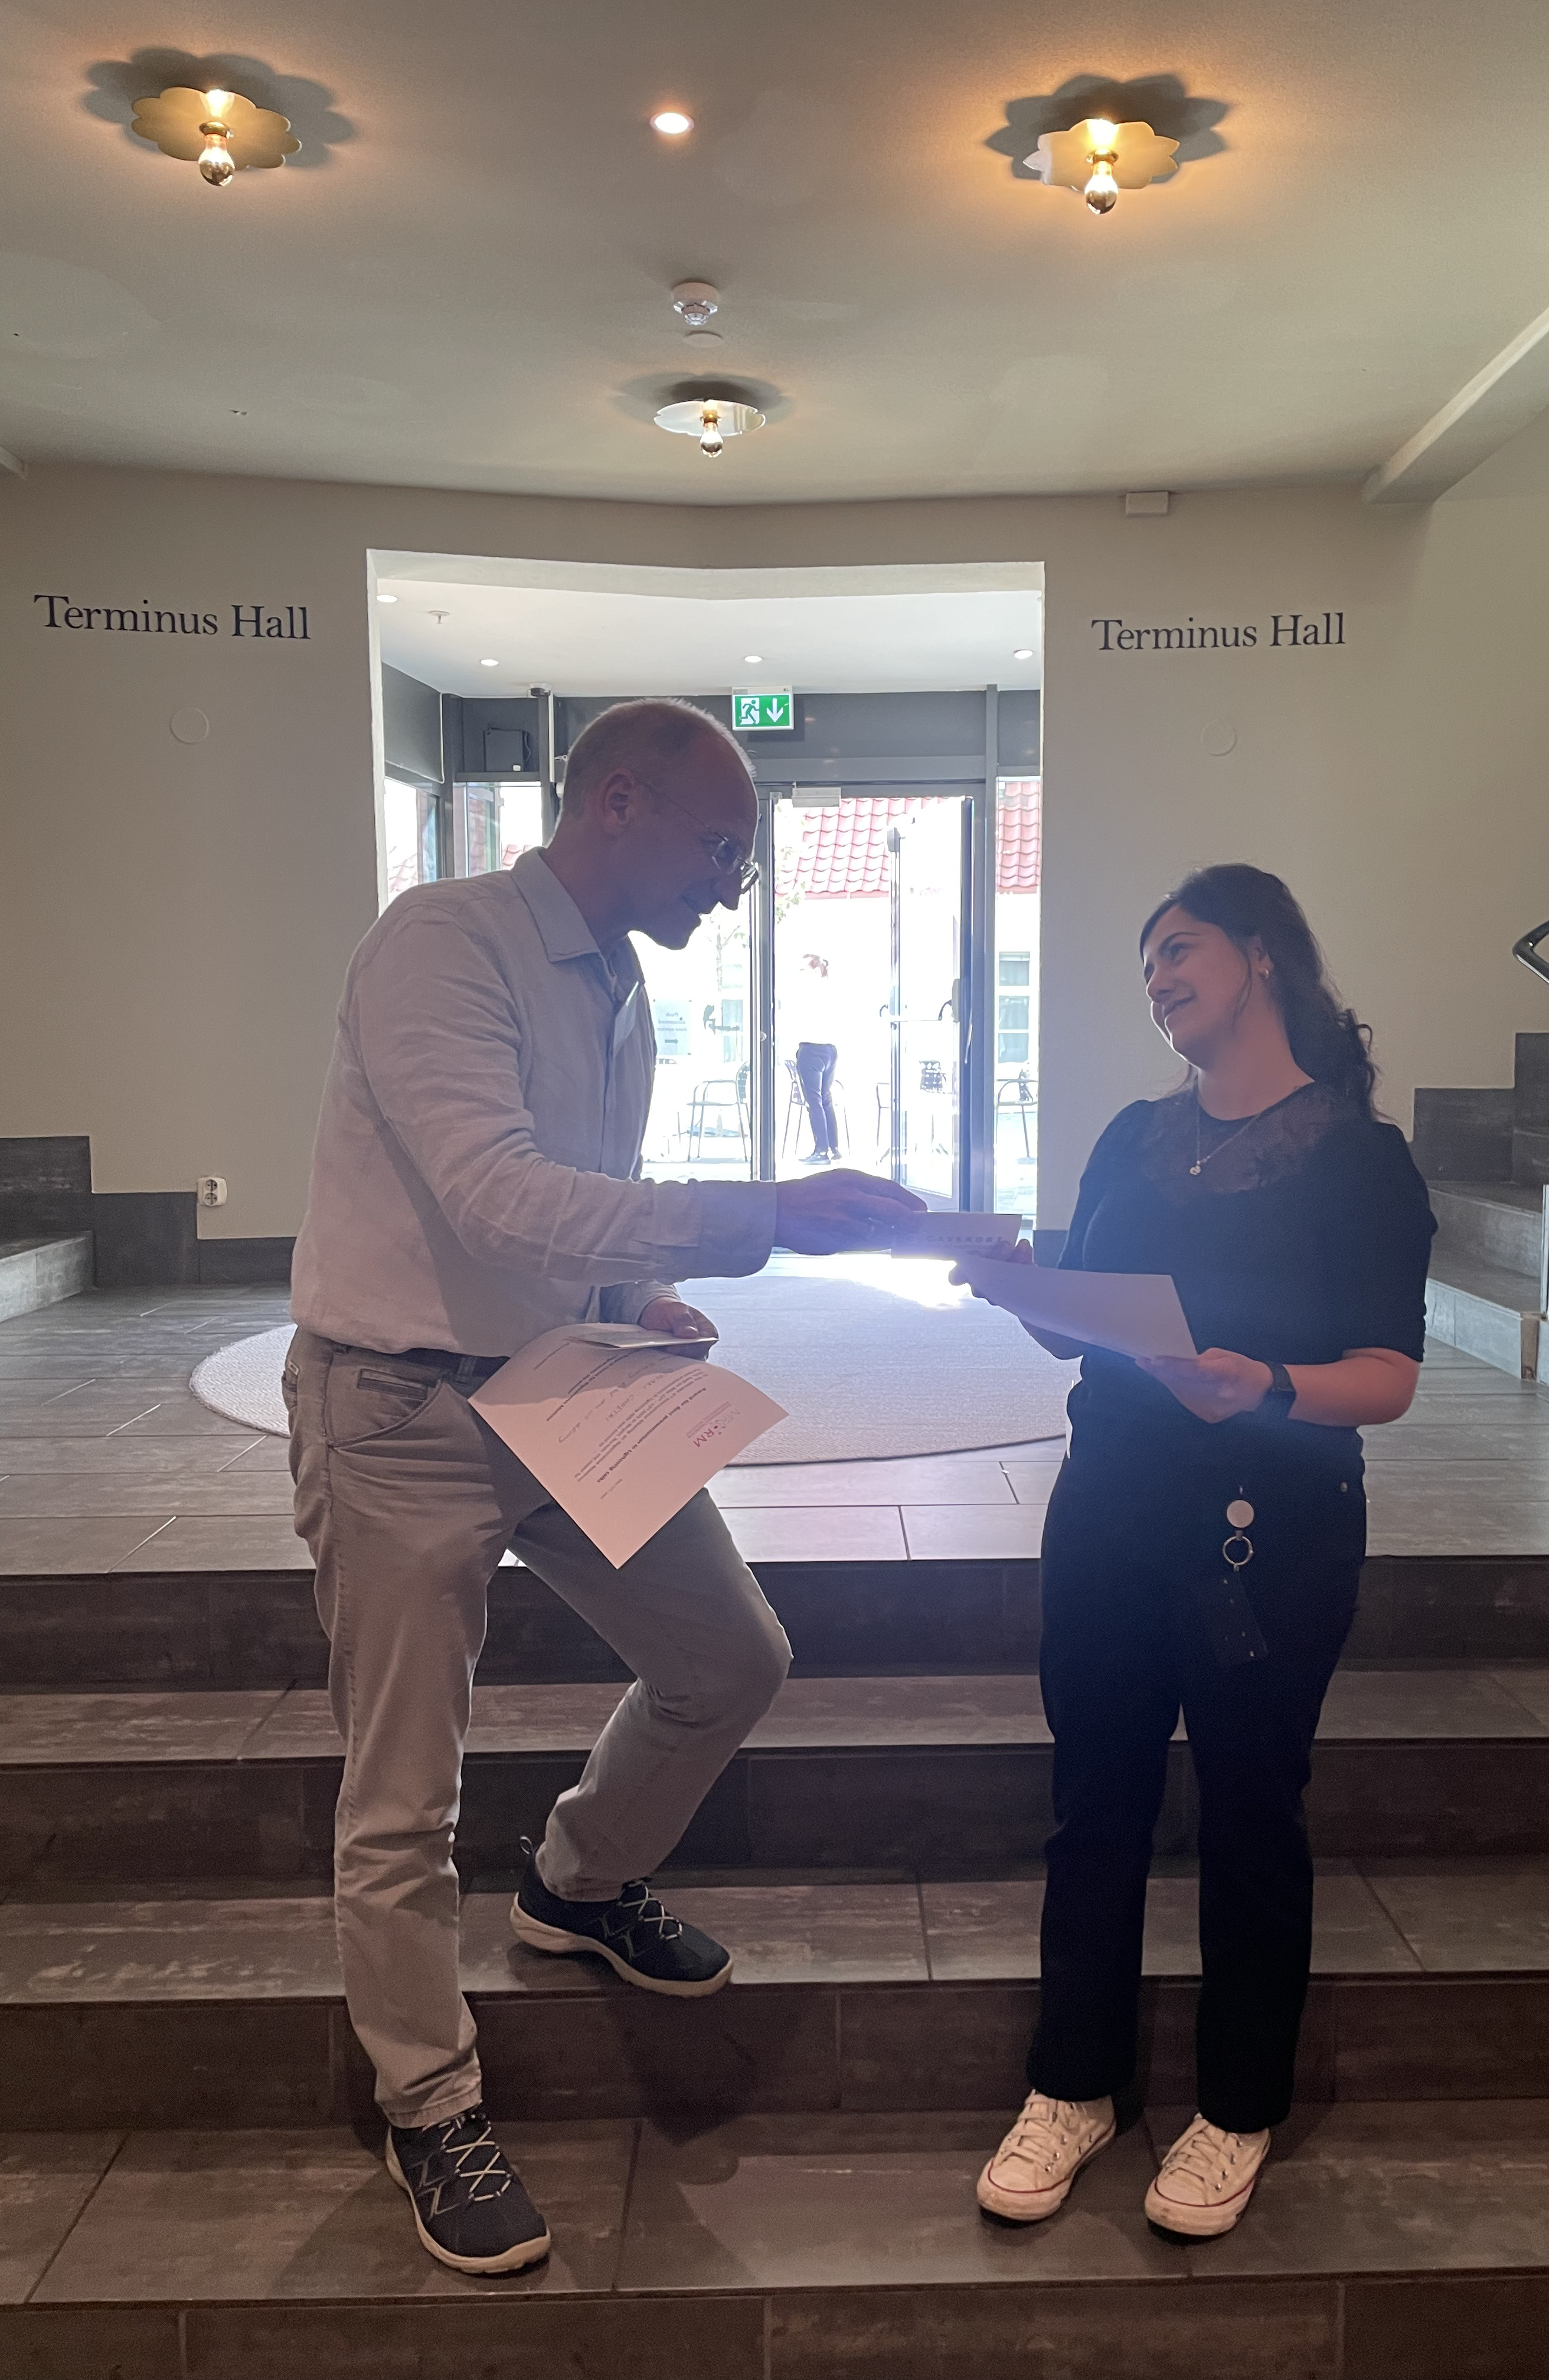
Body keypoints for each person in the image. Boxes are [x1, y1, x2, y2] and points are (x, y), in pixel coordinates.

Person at [285, 698, 924, 2276]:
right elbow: (490, 1185)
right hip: (395, 1408)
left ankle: (579, 1877)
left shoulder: (620, 986)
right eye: (725, 846)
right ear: (617, 805)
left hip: (551, 1386)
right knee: (400, 1799)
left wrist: (627, 1309)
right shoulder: (443, 941)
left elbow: (536, 1230)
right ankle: (429, 2105)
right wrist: (763, 1210)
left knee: (732, 1658)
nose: (737, 881)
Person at [969, 864, 1433, 2240]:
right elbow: (1089, 1312)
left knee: (1248, 1813)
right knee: (1094, 1800)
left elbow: (1391, 1373)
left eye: (1179, 951)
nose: (1160, 978)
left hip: (1267, 1521)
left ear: (1262, 959)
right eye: (1147, 964)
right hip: (1108, 1494)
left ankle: (1235, 2110)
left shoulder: (1361, 1156)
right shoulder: (1131, 1133)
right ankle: (1076, 2087)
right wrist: (1020, 1285)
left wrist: (1271, 1388)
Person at [785, 951, 841, 1164]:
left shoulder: (807, 991)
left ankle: (821, 1151)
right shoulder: (830, 989)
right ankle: (834, 1147)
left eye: (803, 970)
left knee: (814, 1101)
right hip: (829, 1050)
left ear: (816, 971)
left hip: (812, 1049)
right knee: (825, 1099)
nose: (799, 974)